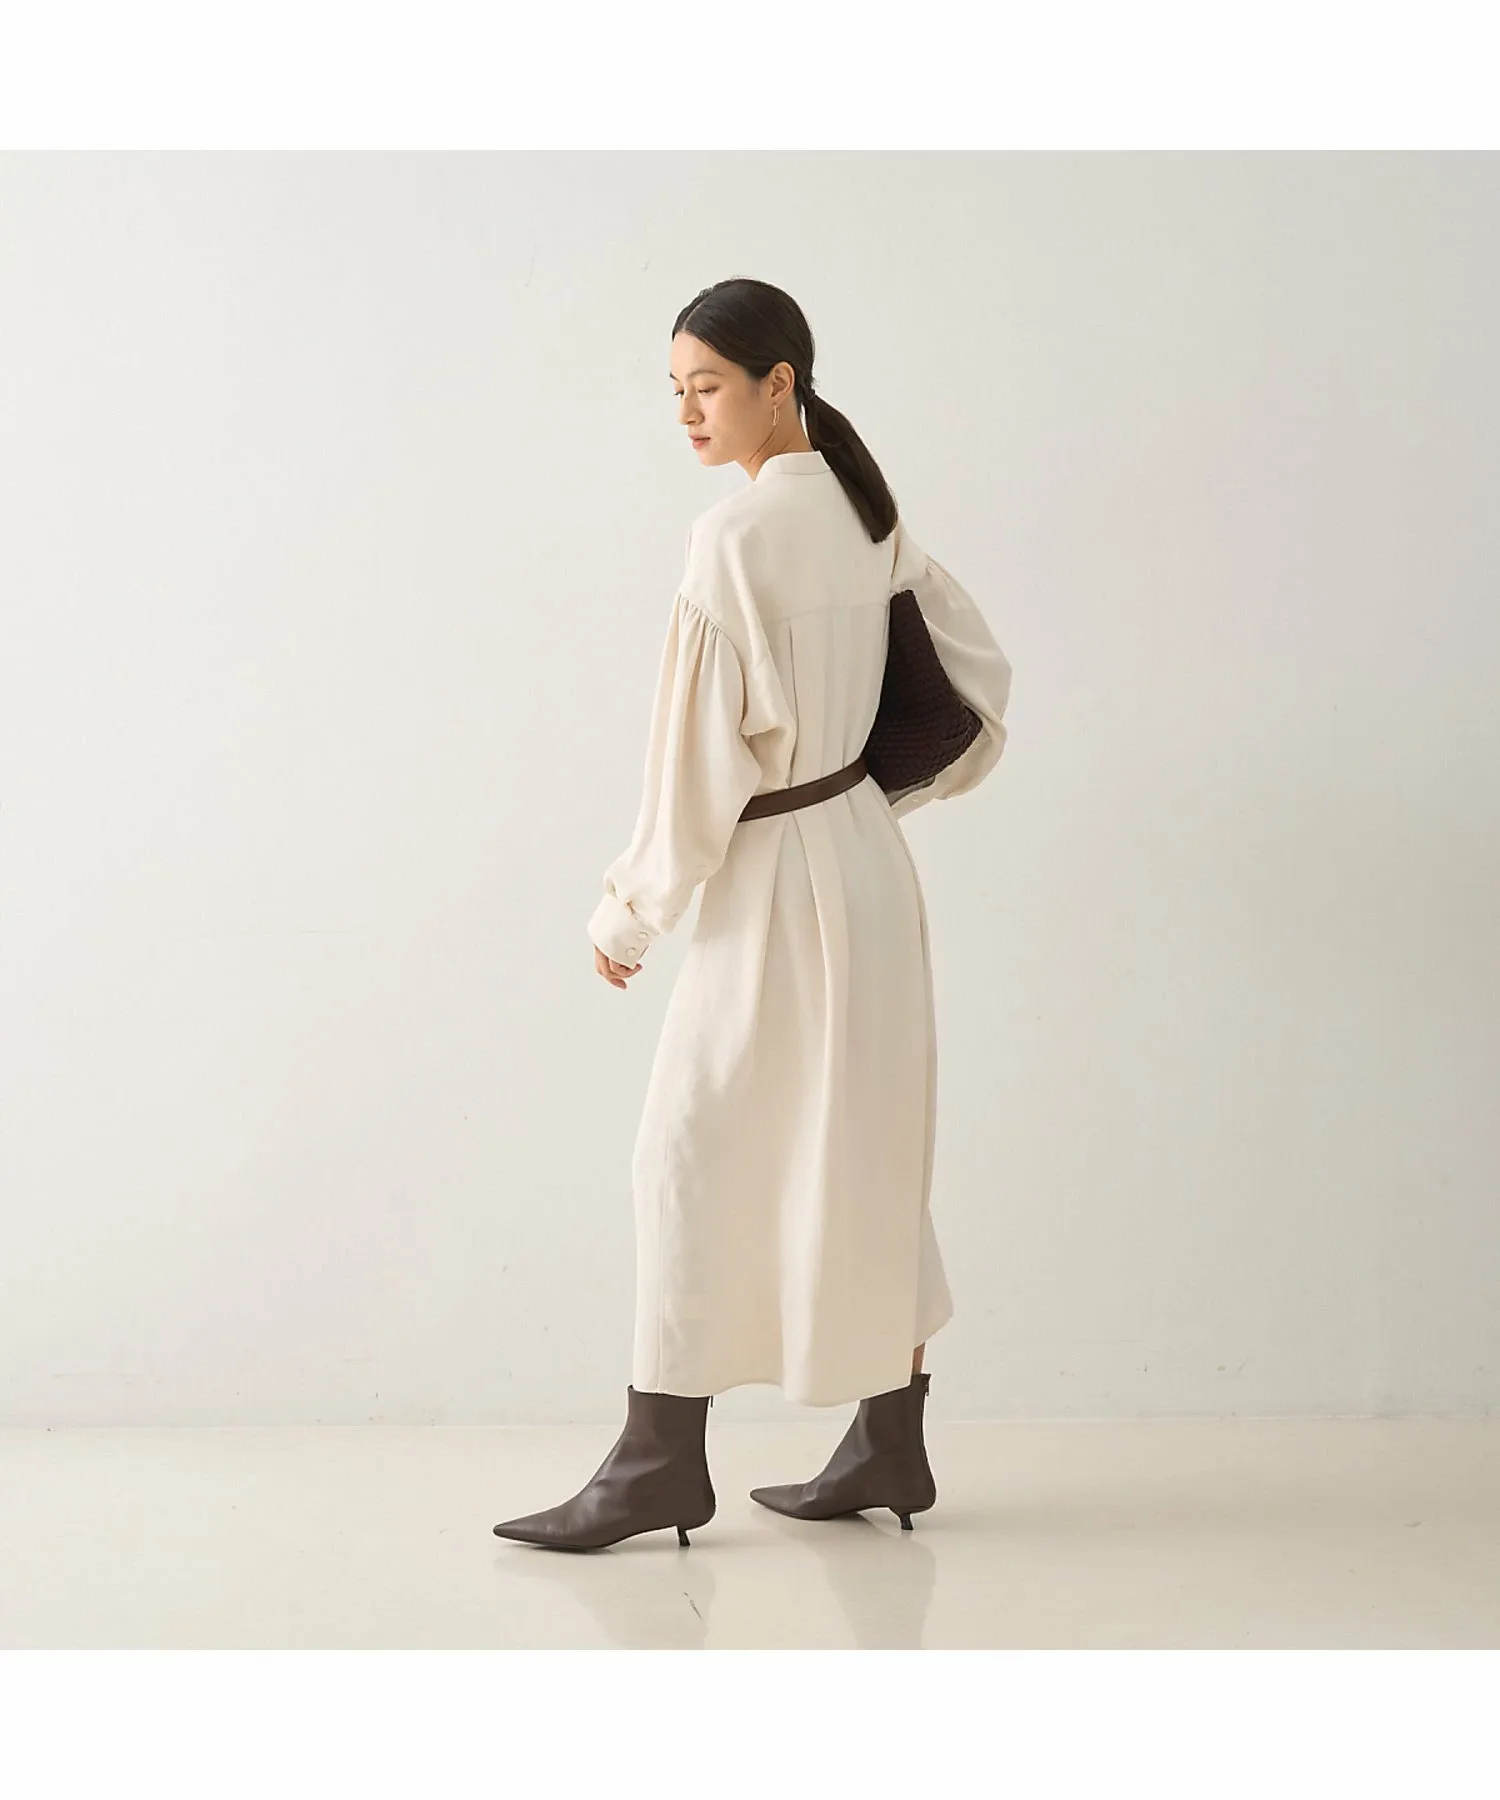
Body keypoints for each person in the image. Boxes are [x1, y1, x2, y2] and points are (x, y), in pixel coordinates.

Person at [493, 277, 1013, 1551]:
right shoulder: (867, 514)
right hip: (864, 863)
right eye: (675, 391)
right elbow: (973, 682)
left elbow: (695, 765)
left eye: (709, 386)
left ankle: (658, 1464)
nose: (687, 413)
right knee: (868, 1148)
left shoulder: (731, 540)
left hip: (777, 875)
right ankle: (889, 1442)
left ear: (780, 384)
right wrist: (871, 797)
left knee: (686, 1151)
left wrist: (628, 913)